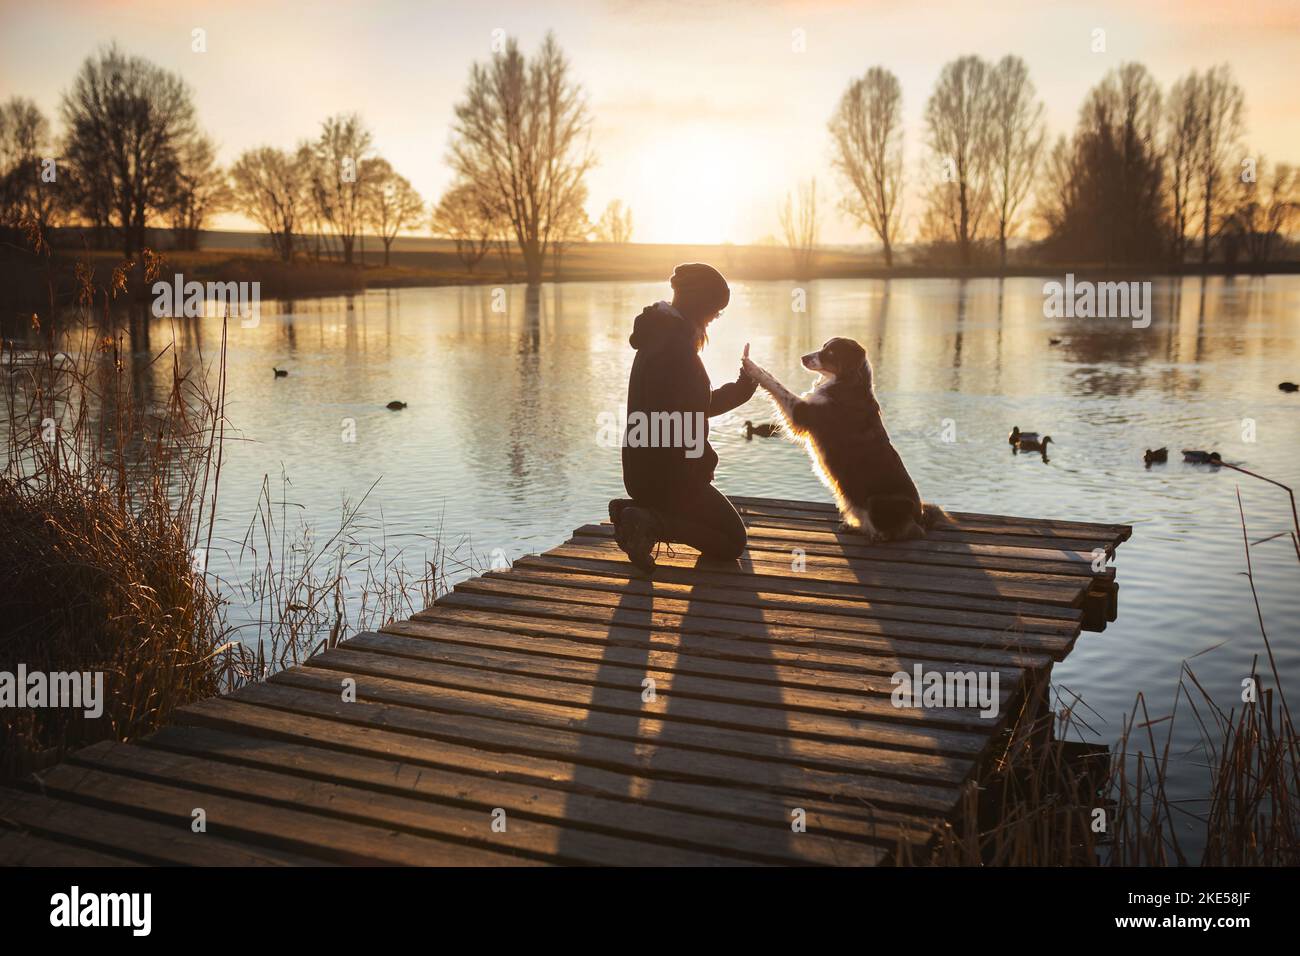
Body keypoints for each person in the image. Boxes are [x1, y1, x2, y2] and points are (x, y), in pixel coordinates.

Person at [608, 262, 754, 573]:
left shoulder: (657, 336)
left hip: (641, 472)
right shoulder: (677, 350)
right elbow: (690, 417)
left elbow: (691, 406)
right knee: (732, 541)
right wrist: (700, 473)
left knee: (719, 525)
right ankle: (649, 522)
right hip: (669, 478)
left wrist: (742, 389)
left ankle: (632, 511)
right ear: (700, 305)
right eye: (714, 311)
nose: (715, 318)